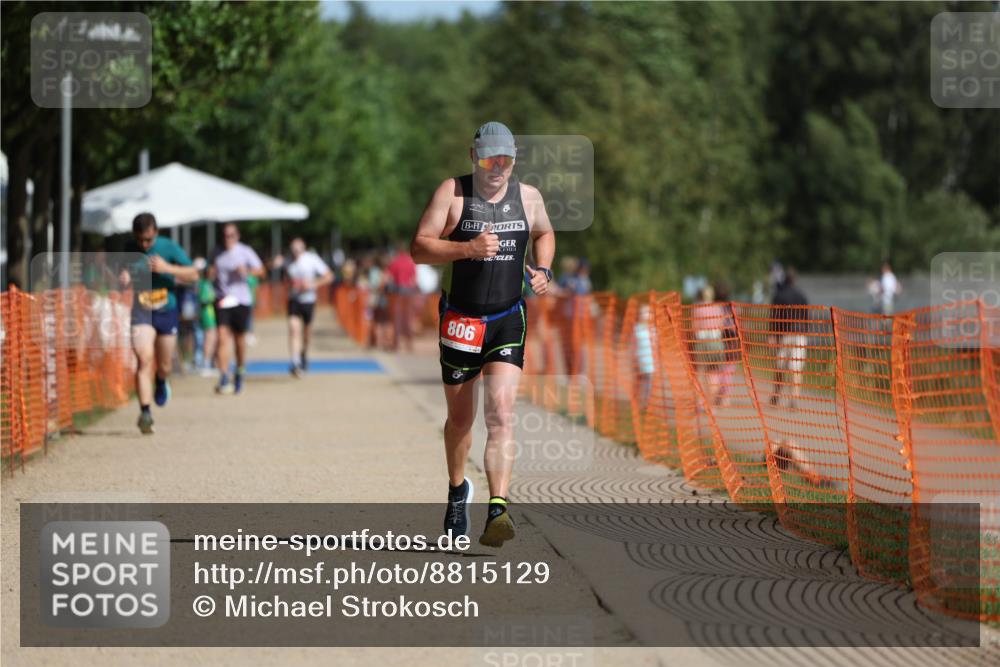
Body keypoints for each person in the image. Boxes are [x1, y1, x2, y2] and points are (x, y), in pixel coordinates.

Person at [410, 121, 556, 547]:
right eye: (490, 158)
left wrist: (544, 269)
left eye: (505, 160)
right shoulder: (452, 194)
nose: (498, 167)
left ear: (514, 160)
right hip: (461, 318)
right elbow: (418, 247)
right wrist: (466, 249)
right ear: (474, 156)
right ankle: (458, 491)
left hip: (508, 317)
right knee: (460, 421)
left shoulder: (528, 197)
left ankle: (498, 508)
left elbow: (545, 233)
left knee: (501, 413)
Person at [118, 213, 197, 434]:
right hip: (141, 311)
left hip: (166, 309)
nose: (144, 245)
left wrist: (168, 269)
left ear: (156, 234)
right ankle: (145, 413)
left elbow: (194, 274)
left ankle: (161, 381)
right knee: (143, 359)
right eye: (141, 240)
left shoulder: (169, 247)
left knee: (164, 365)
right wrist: (122, 280)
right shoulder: (128, 250)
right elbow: (120, 277)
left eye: (148, 240)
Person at [208, 223, 265, 394]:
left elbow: (261, 271)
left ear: (237, 236)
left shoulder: (245, 251)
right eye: (225, 235)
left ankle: (240, 370)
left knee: (239, 340)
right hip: (223, 299)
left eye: (231, 235)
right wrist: (210, 273)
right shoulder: (216, 252)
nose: (228, 238)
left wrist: (246, 271)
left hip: (241, 300)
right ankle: (224, 375)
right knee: (222, 337)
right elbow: (209, 272)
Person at [279, 237, 333, 376]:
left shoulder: (312, 259)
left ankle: (303, 354)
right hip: (294, 300)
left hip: (309, 300)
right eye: (293, 250)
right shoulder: (287, 260)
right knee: (293, 329)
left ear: (303, 249)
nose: (295, 252)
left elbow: (329, 276)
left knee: (306, 333)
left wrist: (313, 284)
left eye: (298, 249)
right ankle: (295, 361)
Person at [769, 267, 810, 410]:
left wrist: (772, 335)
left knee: (780, 367)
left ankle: (776, 395)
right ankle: (794, 397)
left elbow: (774, 317)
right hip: (800, 335)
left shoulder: (779, 296)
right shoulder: (802, 296)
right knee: (796, 368)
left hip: (784, 335)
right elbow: (806, 317)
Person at [386, 241, 418, 352]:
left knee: (397, 319)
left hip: (398, 292)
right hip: (409, 292)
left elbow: (388, 278)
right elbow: (414, 280)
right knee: (408, 318)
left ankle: (396, 344)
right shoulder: (410, 262)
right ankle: (410, 345)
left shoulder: (394, 262)